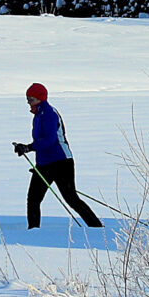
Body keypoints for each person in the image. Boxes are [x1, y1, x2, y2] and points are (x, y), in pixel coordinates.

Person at [14, 83, 102, 230]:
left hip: (61, 162)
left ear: (40, 98)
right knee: (34, 199)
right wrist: (26, 149)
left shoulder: (49, 113)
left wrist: (29, 147)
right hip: (44, 165)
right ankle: (33, 231)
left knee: (71, 199)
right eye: (27, 98)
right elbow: (41, 142)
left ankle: (97, 228)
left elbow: (50, 140)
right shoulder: (37, 115)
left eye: (31, 99)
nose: (28, 102)